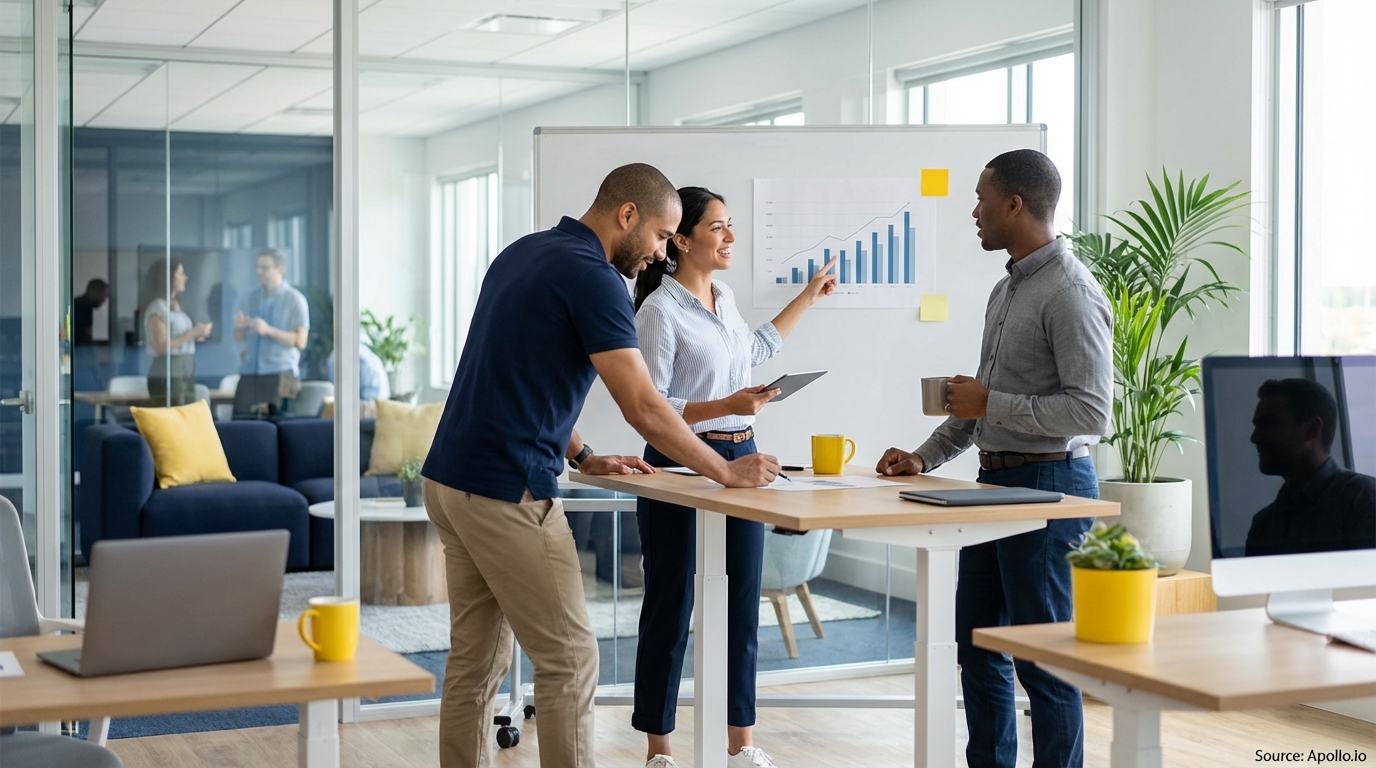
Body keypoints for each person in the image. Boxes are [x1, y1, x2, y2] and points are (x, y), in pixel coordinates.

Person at [421, 163, 780, 768]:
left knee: (476, 664)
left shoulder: (523, 253)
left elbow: (520, 379)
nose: (664, 254)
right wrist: (726, 472)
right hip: (506, 489)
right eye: (665, 237)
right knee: (571, 658)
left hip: (450, 480)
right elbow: (644, 404)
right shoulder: (596, 278)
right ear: (627, 216)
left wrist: (582, 454)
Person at [875, 149, 1112, 768]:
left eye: (982, 199)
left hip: (1049, 485)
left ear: (1015, 204)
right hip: (991, 487)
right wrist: (924, 458)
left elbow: (1091, 414)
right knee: (978, 646)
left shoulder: (1072, 291)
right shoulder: (1006, 288)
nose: (973, 212)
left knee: (1042, 660)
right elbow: (980, 403)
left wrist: (992, 401)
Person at [630, 187, 836, 768]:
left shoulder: (723, 296)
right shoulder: (658, 312)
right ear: (681, 239)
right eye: (718, 227)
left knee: (741, 605)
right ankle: (659, 750)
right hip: (677, 463)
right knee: (669, 606)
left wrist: (808, 297)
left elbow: (758, 346)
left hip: (744, 460)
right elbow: (655, 404)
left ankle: (741, 744)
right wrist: (727, 402)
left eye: (730, 226)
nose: (730, 238)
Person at [1246, 378, 1376, 556]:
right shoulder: (1263, 523)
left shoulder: (1364, 498)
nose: (1255, 437)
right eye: (1257, 425)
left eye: (1269, 423)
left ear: (1312, 430)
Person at [234, 248, 309, 409]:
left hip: (280, 375)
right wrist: (241, 328)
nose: (259, 271)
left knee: (277, 426)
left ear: (280, 269)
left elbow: (300, 341)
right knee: (240, 426)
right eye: (257, 267)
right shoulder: (250, 299)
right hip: (250, 373)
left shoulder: (295, 300)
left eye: (265, 268)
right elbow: (237, 338)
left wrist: (268, 330)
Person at [142, 259, 212, 405]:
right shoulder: (158, 307)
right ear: (168, 277)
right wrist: (192, 333)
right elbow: (160, 346)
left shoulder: (175, 305)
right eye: (180, 273)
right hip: (168, 369)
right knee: (174, 413)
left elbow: (177, 338)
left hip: (185, 367)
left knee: (186, 413)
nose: (185, 277)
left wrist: (196, 335)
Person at [326, 343, 392, 417]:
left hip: (368, 407)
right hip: (381, 406)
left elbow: (338, 393)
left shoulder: (338, 356)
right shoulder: (363, 352)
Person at [73, 278, 108, 346]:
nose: (104, 299)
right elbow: (85, 335)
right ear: (97, 293)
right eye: (104, 295)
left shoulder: (81, 303)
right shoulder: (82, 305)